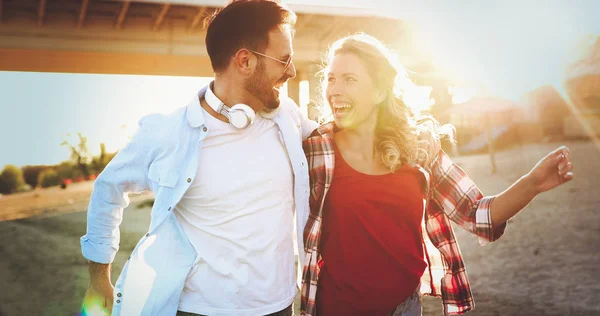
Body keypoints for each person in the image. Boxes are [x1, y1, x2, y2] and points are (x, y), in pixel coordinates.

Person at [300, 33, 574, 316]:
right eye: (331, 78)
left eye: (349, 79)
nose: (334, 90)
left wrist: (533, 184)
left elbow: (479, 214)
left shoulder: (417, 148)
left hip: (405, 308)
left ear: (380, 91)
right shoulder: (315, 150)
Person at [80, 1, 319, 315]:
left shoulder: (287, 115)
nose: (291, 71)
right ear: (245, 61)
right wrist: (99, 278)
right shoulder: (165, 134)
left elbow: (336, 142)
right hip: (197, 309)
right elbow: (107, 190)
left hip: (279, 307)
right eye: (283, 60)